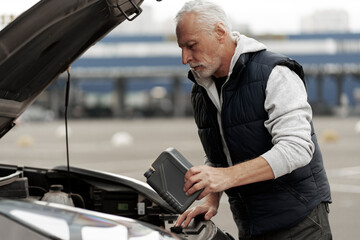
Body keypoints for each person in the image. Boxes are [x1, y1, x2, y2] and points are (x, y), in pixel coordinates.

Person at [173, 1, 332, 239]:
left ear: (219, 32)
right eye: (181, 48)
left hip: (299, 221)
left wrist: (224, 177)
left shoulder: (275, 73)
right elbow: (222, 152)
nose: (185, 58)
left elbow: (297, 148)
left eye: (191, 46)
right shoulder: (201, 88)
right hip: (250, 224)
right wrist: (212, 198)